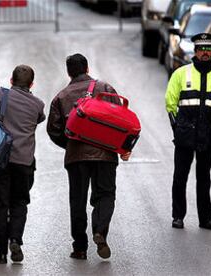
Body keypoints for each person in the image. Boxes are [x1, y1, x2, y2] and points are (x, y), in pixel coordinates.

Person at [47, 53, 131, 260]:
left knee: (78, 200)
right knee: (105, 194)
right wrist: (119, 145)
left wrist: (71, 144)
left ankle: (80, 247)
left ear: (69, 72)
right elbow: (121, 120)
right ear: (87, 68)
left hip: (76, 157)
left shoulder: (61, 97)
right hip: (105, 154)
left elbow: (54, 130)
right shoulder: (105, 88)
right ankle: (100, 231)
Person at [0, 65, 45, 264]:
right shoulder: (38, 105)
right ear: (32, 84)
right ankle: (15, 239)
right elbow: (39, 119)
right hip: (24, 161)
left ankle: (0, 253)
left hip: (0, 159)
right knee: (20, 202)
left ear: (11, 80)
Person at [165, 33, 211, 231]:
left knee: (204, 178)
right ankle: (178, 216)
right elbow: (171, 102)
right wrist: (178, 127)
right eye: (201, 49)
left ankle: (205, 219)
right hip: (185, 134)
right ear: (195, 51)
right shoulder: (181, 74)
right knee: (180, 177)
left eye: (209, 49)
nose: (205, 52)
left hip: (207, 135)